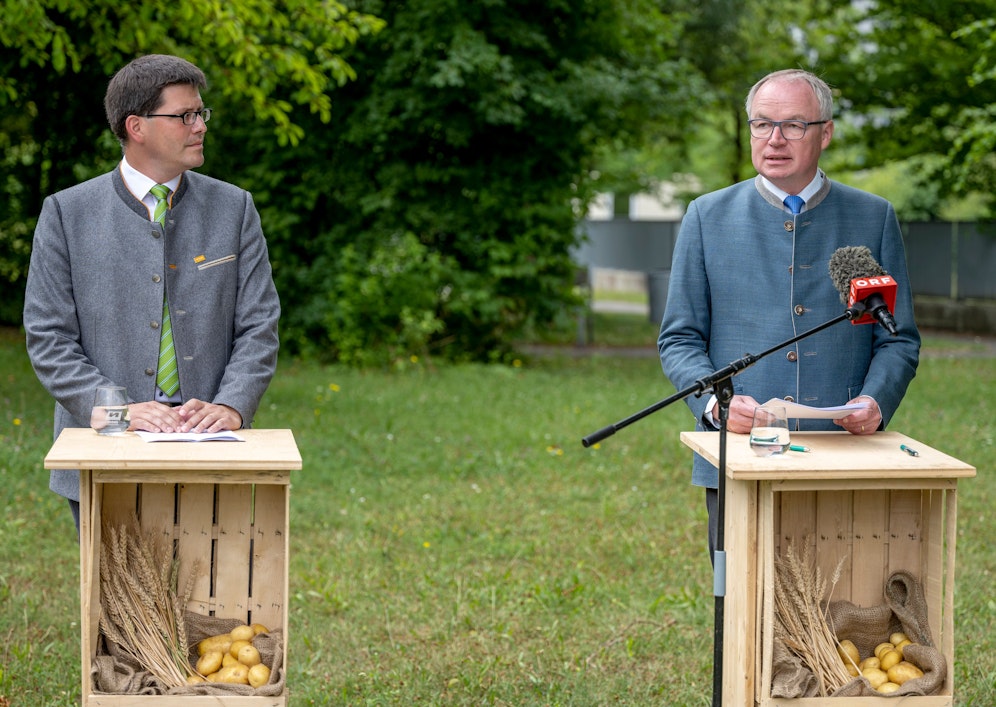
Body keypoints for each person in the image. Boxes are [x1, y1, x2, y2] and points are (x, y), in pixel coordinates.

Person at [657, 69, 920, 560]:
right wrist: (715, 404)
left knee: (843, 596)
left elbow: (896, 337)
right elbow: (679, 338)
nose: (774, 139)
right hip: (742, 452)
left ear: (826, 133)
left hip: (845, 454)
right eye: (762, 124)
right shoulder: (706, 217)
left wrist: (876, 401)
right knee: (745, 597)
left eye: (793, 125)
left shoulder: (873, 217)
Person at [23, 54, 281, 529]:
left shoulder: (235, 208)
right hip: (104, 451)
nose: (200, 125)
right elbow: (48, 337)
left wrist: (231, 405)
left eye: (201, 113)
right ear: (136, 126)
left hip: (210, 448)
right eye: (185, 115)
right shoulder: (66, 213)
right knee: (113, 582)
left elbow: (259, 326)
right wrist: (115, 410)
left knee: (210, 580)